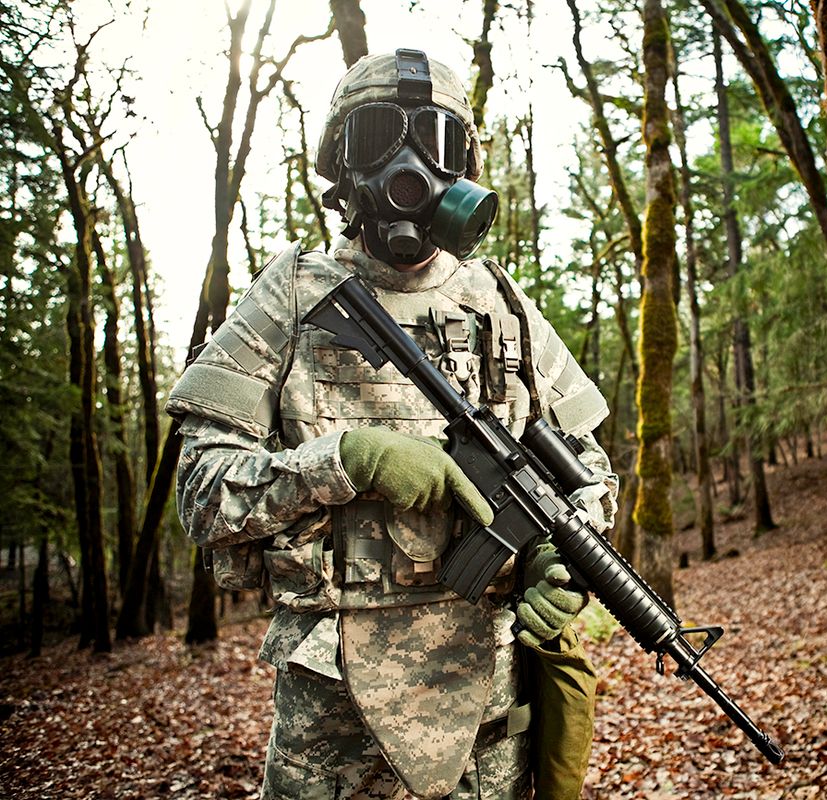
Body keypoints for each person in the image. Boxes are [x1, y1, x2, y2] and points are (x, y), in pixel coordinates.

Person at [167, 49, 617, 800]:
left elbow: (592, 471)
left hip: (489, 727)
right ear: (340, 165)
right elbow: (201, 489)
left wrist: (561, 561)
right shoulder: (294, 294)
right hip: (334, 731)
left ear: (466, 165)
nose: (410, 166)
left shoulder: (501, 303)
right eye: (378, 136)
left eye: (437, 142)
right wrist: (346, 459)